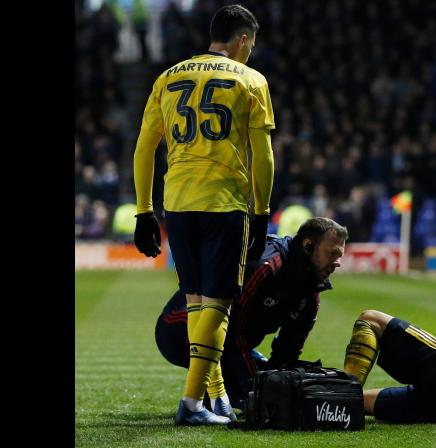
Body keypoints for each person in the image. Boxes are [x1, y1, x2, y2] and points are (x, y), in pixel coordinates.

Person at [132, 4, 276, 425]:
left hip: (177, 201)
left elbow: (144, 147)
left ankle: (216, 398)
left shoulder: (168, 76)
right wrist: (263, 209)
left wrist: (144, 210)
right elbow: (262, 154)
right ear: (243, 39)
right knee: (219, 302)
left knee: (197, 302)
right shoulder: (251, 80)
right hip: (223, 201)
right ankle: (192, 404)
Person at [155, 217, 348, 415]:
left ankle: (219, 393)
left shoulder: (311, 293)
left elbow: (288, 351)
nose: (338, 263)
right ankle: (206, 397)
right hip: (177, 327)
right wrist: (258, 392)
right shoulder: (266, 268)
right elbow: (232, 331)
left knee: (274, 388)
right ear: (308, 245)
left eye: (340, 255)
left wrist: (280, 385)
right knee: (254, 393)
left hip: (232, 343)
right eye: (332, 253)